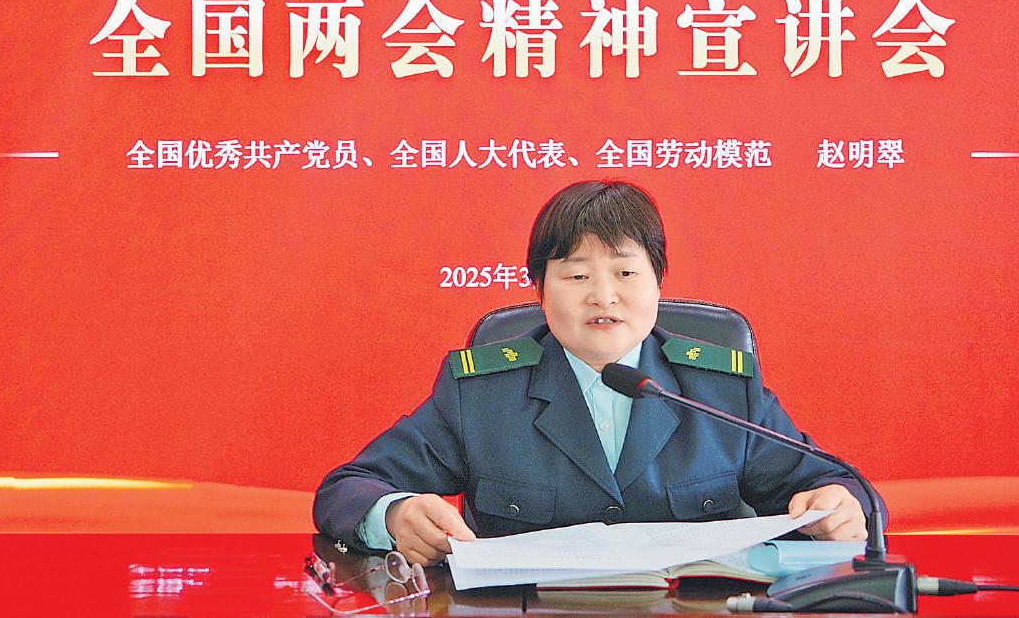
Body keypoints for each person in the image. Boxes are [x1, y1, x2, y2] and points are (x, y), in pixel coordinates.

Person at [314, 180, 882, 567]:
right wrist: (395, 515)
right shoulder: (482, 394)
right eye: (577, 276)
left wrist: (840, 504)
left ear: (658, 284)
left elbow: (838, 486)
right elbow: (347, 489)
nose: (603, 296)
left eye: (625, 273)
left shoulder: (721, 388)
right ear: (540, 291)